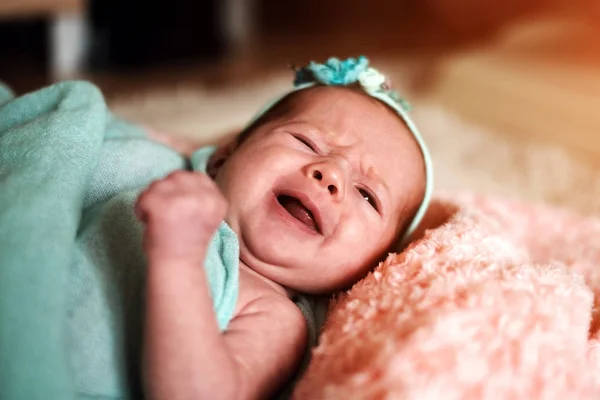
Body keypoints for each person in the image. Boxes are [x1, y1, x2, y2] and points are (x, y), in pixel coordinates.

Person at [0, 56, 433, 400]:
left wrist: (180, 258)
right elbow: (59, 156)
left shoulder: (276, 317)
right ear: (223, 156)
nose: (330, 175)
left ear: (373, 264)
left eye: (368, 195)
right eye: (307, 142)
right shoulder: (165, 174)